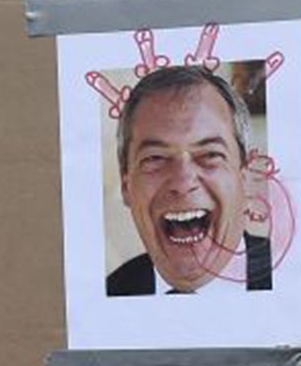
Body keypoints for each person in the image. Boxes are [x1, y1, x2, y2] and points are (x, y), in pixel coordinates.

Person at [107, 64, 271, 295]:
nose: (183, 183)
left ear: (244, 178)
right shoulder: (103, 295)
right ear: (126, 186)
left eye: (210, 155)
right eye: (155, 158)